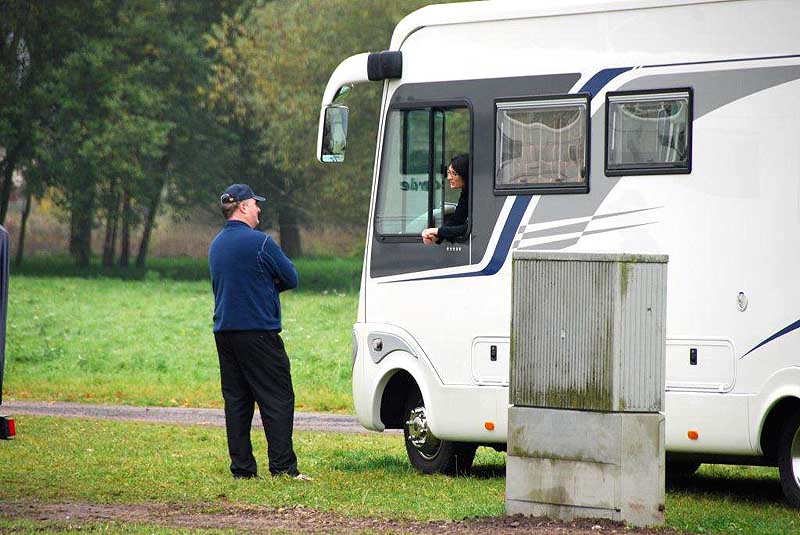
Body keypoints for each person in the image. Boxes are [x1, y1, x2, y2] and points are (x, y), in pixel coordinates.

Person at [208, 183, 310, 481]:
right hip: (258, 332)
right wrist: (267, 289)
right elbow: (290, 277)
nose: (259, 209)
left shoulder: (216, 245)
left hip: (225, 331)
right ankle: (283, 469)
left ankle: (242, 470)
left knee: (237, 401)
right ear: (242, 207)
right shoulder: (260, 243)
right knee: (276, 397)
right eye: (255, 204)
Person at [422, 154, 469, 245]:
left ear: (465, 174)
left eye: (454, 174)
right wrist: (436, 236)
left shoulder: (475, 196)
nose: (449, 178)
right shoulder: (466, 194)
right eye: (448, 172)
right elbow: (456, 220)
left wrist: (438, 231)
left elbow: (467, 228)